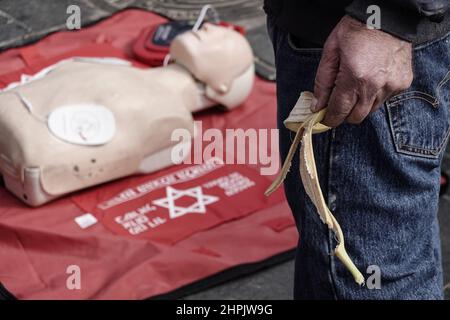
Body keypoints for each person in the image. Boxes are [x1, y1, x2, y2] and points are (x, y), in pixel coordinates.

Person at [264, 0, 450, 299]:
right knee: (375, 255)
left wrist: (385, 17)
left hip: (355, 47)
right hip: (345, 32)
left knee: (367, 278)